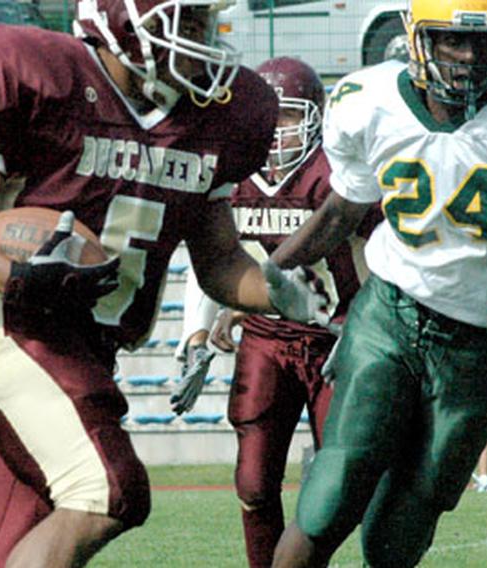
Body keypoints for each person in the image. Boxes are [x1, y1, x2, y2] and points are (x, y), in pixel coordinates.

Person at [0, 1, 330, 565]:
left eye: (205, 24)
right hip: (13, 334)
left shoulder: (214, 117)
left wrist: (276, 291)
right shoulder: (46, 76)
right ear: (123, 21)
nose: (203, 43)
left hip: (89, 353)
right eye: (187, 24)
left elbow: (219, 260)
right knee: (108, 490)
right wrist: (17, 277)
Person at [266, 0, 487, 565]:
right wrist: (262, 279)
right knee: (329, 498)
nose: (470, 58)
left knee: (400, 530)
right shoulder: (370, 102)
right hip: (390, 316)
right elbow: (338, 216)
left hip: (482, 345)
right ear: (417, 38)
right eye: (452, 41)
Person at [172, 56, 381, 568]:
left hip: (335, 338)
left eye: (287, 117)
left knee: (338, 487)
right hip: (265, 334)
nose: (275, 131)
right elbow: (213, 257)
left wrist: (365, 332)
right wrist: (196, 334)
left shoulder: (335, 174)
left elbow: (377, 264)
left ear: (314, 117)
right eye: (269, 118)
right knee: (253, 482)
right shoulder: (233, 171)